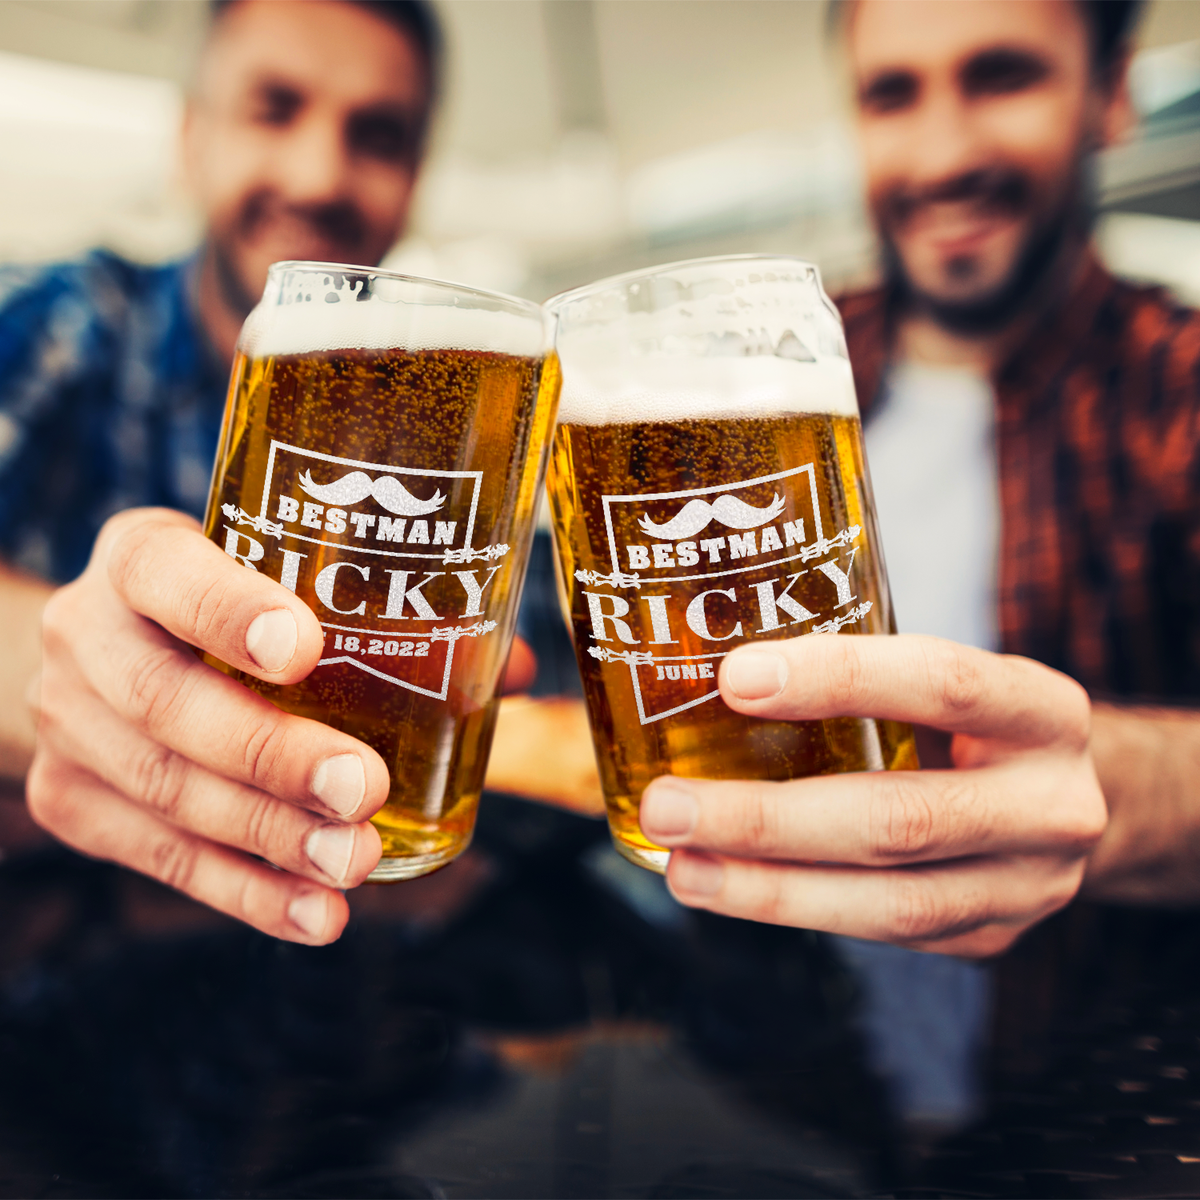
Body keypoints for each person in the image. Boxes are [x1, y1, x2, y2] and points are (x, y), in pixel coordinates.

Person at [639, 0, 1200, 960]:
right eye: (892, 94)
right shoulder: (743, 388)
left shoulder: (1176, 390)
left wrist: (1109, 793)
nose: (942, 156)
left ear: (1111, 94)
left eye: (1001, 77)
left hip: (1094, 1070)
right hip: (801, 1068)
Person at [0, 0, 499, 946]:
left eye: (377, 135)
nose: (319, 174)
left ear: (416, 177)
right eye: (275, 108)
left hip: (347, 973)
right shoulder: (68, 329)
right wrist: (55, 666)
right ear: (191, 138)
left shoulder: (455, 417)